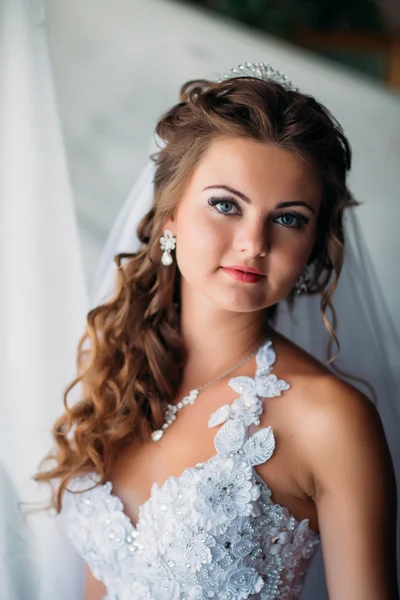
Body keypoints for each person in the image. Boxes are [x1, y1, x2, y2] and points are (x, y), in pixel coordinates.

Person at [35, 62, 399, 600]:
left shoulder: (331, 420)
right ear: (170, 217)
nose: (254, 242)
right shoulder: (119, 373)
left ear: (314, 245)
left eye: (290, 218)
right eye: (226, 205)